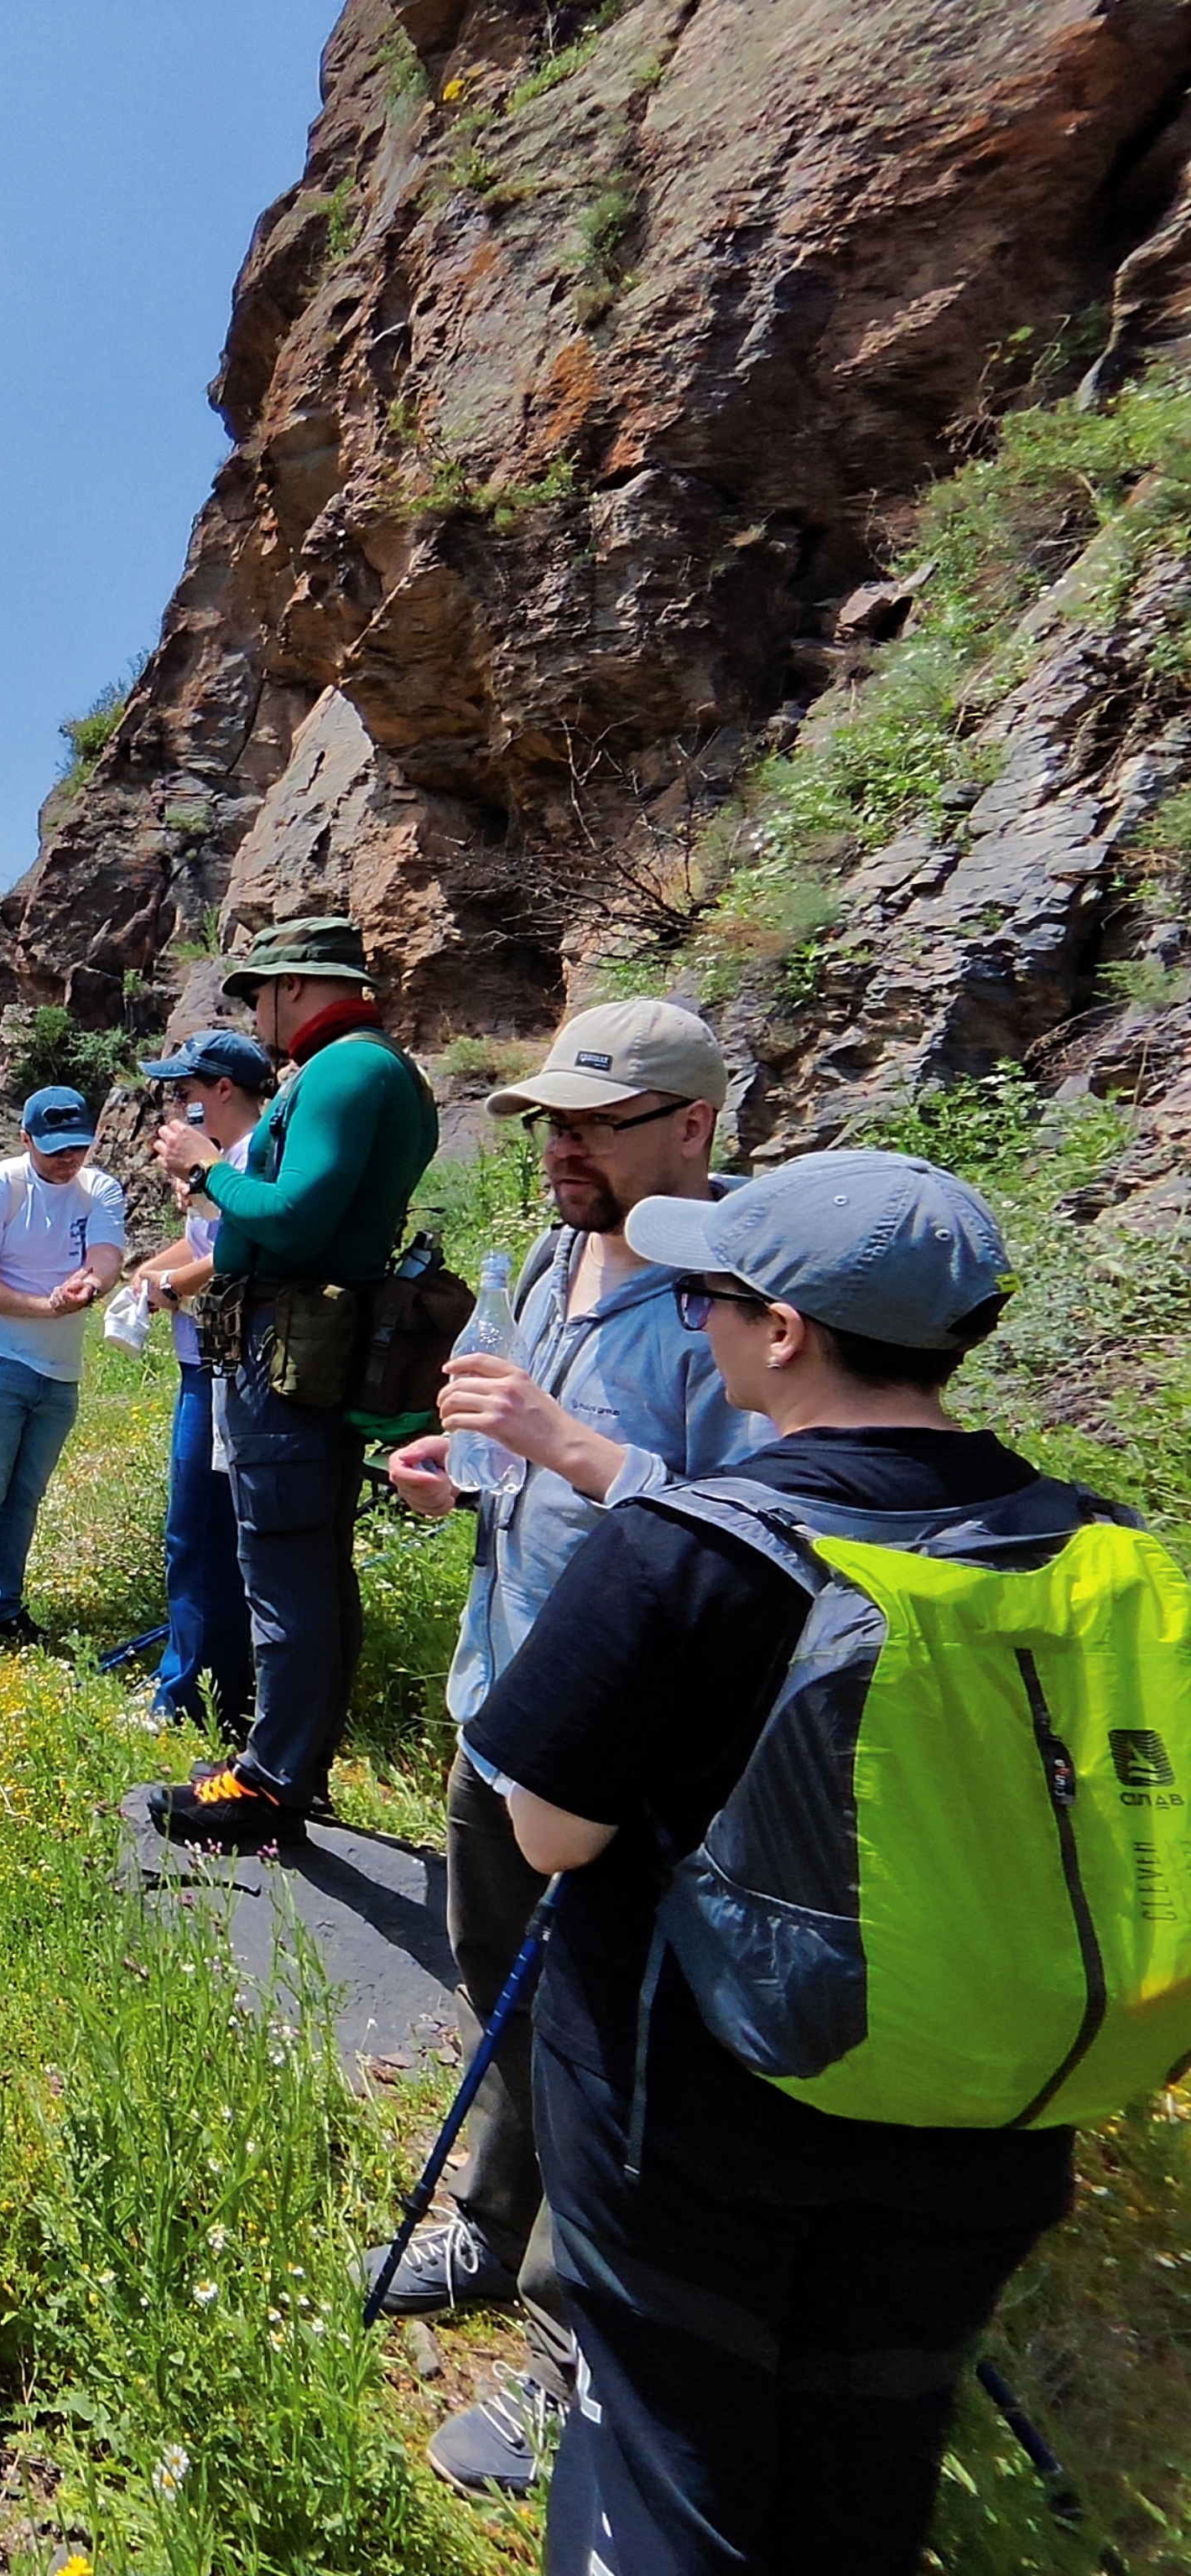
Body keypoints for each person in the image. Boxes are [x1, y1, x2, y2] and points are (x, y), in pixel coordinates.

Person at [469, 1154, 1075, 2575]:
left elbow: (550, 1831)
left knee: (671, 2453)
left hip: (708, 2105)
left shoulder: (691, 1546)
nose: (696, 1318)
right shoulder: (1098, 1543)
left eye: (715, 1293)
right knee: (869, 2455)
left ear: (786, 1330)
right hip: (995, 2101)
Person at [352, 998, 769, 2497]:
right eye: (551, 1121)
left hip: (637, 1760)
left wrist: (562, 1447)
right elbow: (508, 1451)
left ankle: (571, 2360)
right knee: (502, 1993)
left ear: (693, 1126)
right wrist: (456, 1473)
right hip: (502, 1704)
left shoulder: (738, 1299)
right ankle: (491, 2219)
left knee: (614, 2055)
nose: (563, 1147)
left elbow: (770, 1533)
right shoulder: (543, 1260)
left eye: (596, 1120)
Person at [138, 917, 439, 1847]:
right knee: (304, 1564)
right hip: (293, 1338)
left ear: (297, 986)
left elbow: (297, 1220)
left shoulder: (348, 1068)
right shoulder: (358, 1067)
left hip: (291, 1343)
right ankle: (286, 1762)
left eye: (257, 992)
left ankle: (269, 1785)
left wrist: (208, 1169)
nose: (254, 1013)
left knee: (281, 1566)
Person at [0, 1085, 130, 1649]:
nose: (68, 1159)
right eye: (54, 1150)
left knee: (25, 1493)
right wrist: (41, 1306)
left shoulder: (100, 1190)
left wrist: (91, 1284)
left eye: (77, 1146)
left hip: (59, 1370)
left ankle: (6, 1606)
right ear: (26, 1140)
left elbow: (106, 1254)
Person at [130, 1028, 275, 1739]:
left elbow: (233, 1257)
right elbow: (201, 1243)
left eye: (188, 1089)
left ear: (224, 1090)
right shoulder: (226, 1164)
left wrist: (162, 1289)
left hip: (222, 1366)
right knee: (207, 1529)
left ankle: (186, 1697)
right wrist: (151, 1267)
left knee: (199, 1531)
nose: (179, 1103)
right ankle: (210, 1680)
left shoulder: (244, 1161)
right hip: (205, 1361)